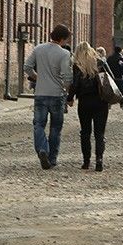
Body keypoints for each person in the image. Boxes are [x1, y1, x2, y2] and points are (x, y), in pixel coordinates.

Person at [23, 24, 72, 169]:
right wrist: (66, 87)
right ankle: (52, 158)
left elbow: (27, 66)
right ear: (62, 39)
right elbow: (67, 76)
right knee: (56, 127)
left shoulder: (39, 49)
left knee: (38, 124)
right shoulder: (64, 54)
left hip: (41, 93)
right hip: (57, 94)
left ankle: (42, 148)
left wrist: (37, 77)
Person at [68, 41, 111, 171]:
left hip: (85, 102)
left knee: (85, 132)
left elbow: (75, 84)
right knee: (99, 133)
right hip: (100, 101)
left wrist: (70, 98)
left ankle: (86, 162)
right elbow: (111, 78)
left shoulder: (77, 65)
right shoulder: (100, 62)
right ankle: (99, 160)